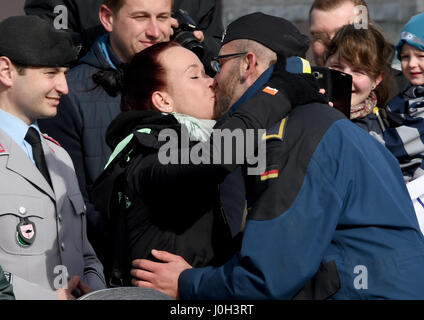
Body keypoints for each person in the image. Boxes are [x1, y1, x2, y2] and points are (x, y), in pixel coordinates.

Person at [130, 12, 424, 300]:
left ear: (248, 63)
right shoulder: (324, 122)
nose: (213, 79)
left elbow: (268, 276)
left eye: (218, 64)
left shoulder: (292, 134)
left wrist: (187, 282)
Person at [37, 0, 176, 265]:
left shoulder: (192, 81)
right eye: (141, 17)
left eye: (163, 17)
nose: (155, 31)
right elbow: (69, 203)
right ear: (107, 18)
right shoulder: (69, 95)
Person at [92, 41, 237, 286]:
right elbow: (221, 155)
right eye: (195, 76)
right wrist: (273, 100)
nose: (212, 81)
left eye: (206, 72)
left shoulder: (192, 142)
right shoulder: (148, 152)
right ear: (163, 101)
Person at [0, 15, 106, 299]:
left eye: (64, 73)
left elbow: (84, 254)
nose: (64, 87)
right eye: (50, 73)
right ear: (6, 71)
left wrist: (94, 291)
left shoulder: (58, 155)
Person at [24, 0, 223, 74]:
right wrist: (119, 32)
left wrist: (195, 42)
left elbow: (221, 57)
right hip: (96, 95)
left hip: (176, 104)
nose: (154, 31)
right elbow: (46, 48)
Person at [309, 0, 407, 95]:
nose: (331, 44)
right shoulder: (299, 93)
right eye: (320, 36)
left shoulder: (405, 94)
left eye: (343, 33)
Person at [324, 23, 394, 135]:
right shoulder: (304, 111)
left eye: (358, 71)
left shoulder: (386, 131)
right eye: (337, 67)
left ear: (377, 79)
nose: (345, 78)